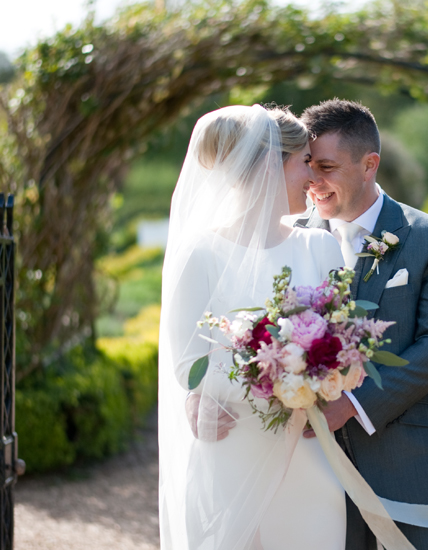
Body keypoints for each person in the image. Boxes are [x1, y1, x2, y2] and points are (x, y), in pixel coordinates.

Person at [158, 104, 347, 549]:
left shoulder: (321, 247)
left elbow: (343, 342)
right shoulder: (200, 254)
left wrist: (307, 372)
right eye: (304, 162)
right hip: (230, 446)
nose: (314, 178)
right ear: (268, 164)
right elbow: (187, 365)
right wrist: (205, 397)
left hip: (307, 445)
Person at [297, 99, 428, 550]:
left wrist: (352, 403)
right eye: (307, 165)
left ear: (369, 164)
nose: (314, 181)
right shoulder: (288, 238)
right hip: (308, 468)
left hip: (408, 460)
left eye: (327, 167)